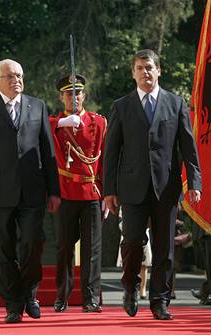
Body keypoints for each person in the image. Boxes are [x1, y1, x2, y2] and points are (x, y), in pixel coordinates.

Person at [103, 49, 202, 320]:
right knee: (133, 241)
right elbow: (111, 152)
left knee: (164, 247)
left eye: (149, 67)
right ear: (133, 73)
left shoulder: (175, 103)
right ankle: (131, 287)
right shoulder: (121, 106)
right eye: (139, 68)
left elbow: (188, 148)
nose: (145, 72)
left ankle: (160, 300)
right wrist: (109, 190)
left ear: (159, 70)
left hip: (166, 186)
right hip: (132, 187)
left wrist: (194, 182)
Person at [0, 59, 60, 323]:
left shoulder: (37, 106)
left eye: (19, 75)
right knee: (3, 249)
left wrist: (54, 191)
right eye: (10, 76)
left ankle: (30, 293)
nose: (16, 79)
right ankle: (12, 303)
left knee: (33, 243)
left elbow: (48, 151)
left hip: (33, 190)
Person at [49, 75, 107, 313]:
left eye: (78, 93)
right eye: (69, 94)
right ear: (62, 97)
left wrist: (107, 194)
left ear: (84, 95)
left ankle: (91, 298)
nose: (74, 98)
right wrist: (63, 124)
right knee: (63, 247)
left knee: (92, 249)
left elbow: (104, 159)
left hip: (91, 192)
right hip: (65, 192)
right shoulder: (54, 122)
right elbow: (40, 129)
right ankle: (62, 296)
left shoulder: (98, 122)